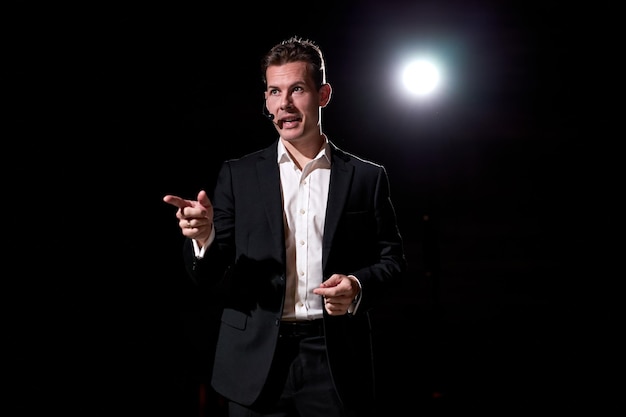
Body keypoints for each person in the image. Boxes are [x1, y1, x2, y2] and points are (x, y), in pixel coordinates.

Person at [163, 36, 407, 417]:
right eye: (274, 92)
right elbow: (207, 274)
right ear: (266, 100)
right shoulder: (238, 175)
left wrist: (356, 286)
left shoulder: (366, 177)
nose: (284, 104)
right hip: (253, 361)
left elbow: (393, 262)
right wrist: (203, 237)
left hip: (334, 359)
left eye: (297, 90)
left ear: (323, 94)